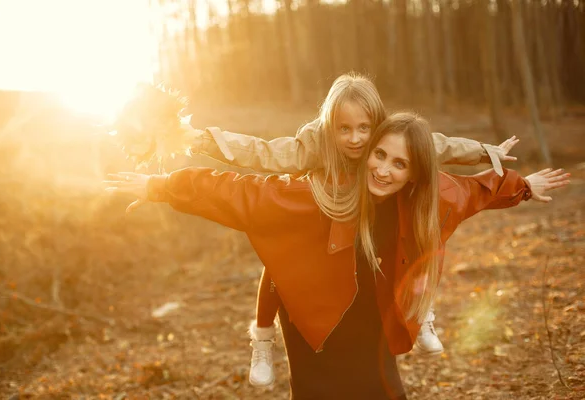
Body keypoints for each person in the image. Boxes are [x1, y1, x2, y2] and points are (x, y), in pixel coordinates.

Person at [105, 111, 569, 399]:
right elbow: (241, 194)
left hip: (372, 325)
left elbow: (478, 190)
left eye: (399, 163)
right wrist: (162, 186)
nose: (384, 170)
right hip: (314, 319)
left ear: (415, 173)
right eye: (379, 155)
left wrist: (525, 187)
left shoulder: (433, 198)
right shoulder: (322, 196)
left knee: (381, 389)